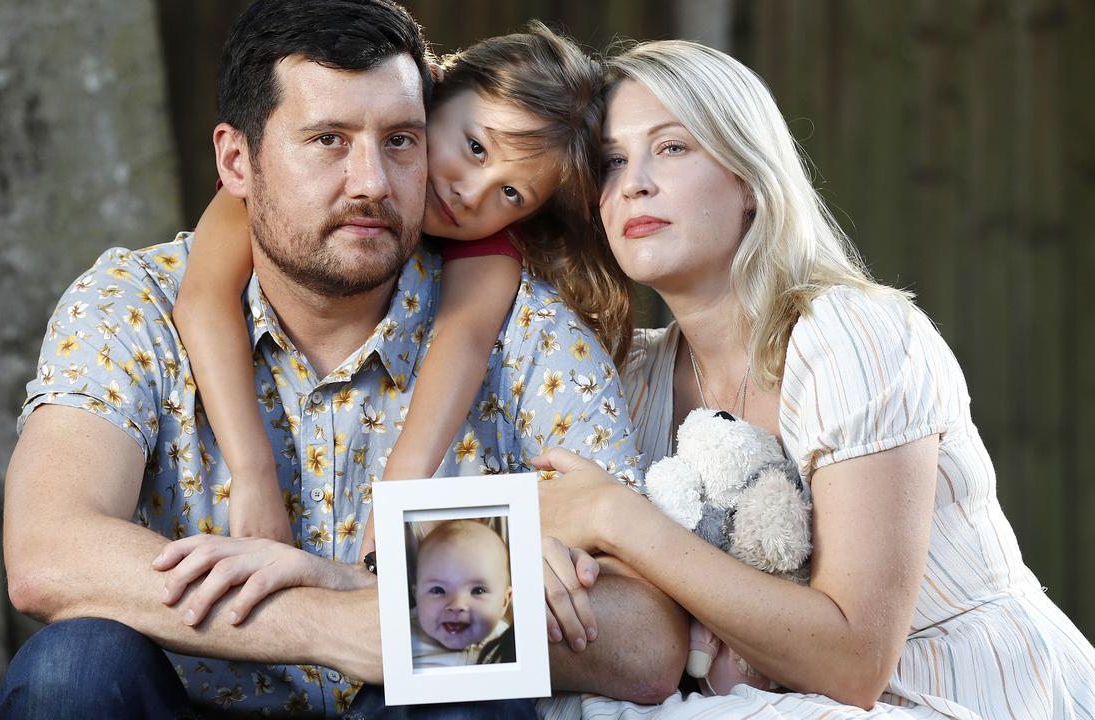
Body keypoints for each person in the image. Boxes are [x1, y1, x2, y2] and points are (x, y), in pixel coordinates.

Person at [0, 1, 689, 717]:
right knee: (70, 666)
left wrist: (388, 598)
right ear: (237, 160)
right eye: (328, 139)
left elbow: (648, 643)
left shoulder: (529, 332)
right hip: (184, 702)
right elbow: (48, 553)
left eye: (400, 142)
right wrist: (338, 626)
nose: (372, 184)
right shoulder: (135, 302)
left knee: (461, 686)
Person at [534, 40, 1095, 719]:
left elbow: (854, 664)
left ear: (748, 176)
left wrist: (612, 517)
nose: (635, 184)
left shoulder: (852, 335)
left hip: (979, 693)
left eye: (673, 148)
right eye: (611, 163)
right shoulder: (630, 381)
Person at [173, 21, 633, 560]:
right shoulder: (275, 188)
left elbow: (461, 343)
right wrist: (252, 474)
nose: (469, 193)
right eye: (475, 147)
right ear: (430, 95)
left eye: (510, 192)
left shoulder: (490, 256)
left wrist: (397, 508)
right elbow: (203, 300)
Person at [410, 520, 513, 668]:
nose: (457, 605)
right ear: (417, 595)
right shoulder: (403, 639)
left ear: (504, 601)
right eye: (438, 590)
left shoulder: (507, 643)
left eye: (477, 591)